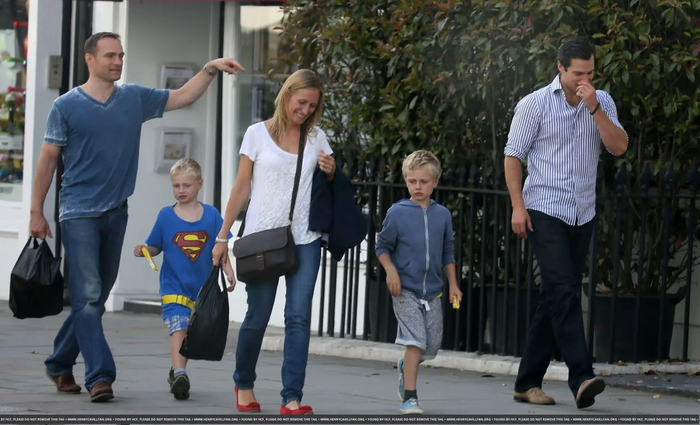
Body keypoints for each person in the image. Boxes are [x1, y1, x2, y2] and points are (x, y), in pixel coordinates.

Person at [29, 31, 243, 402]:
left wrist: (210, 68)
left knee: (95, 299)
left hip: (116, 213)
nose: (117, 61)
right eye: (110, 55)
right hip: (77, 212)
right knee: (88, 296)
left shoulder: (133, 98)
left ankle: (59, 362)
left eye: (121, 55)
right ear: (90, 59)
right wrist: (36, 210)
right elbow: (48, 160)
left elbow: (183, 96)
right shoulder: (65, 106)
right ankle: (100, 376)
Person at [504, 36, 628, 409]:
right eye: (578, 73)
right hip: (544, 208)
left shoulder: (602, 101)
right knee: (563, 289)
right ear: (560, 68)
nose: (584, 80)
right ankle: (581, 376)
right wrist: (518, 206)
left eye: (590, 73)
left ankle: (526, 382)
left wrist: (596, 109)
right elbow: (513, 156)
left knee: (556, 297)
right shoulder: (535, 104)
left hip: (582, 211)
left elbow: (619, 146)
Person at [212, 69, 335, 415]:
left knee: (298, 317)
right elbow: (241, 187)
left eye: (312, 106)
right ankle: (244, 382)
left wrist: (331, 171)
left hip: (305, 239)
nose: (306, 110)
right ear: (287, 95)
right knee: (258, 316)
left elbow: (329, 182)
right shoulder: (256, 134)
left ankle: (291, 397)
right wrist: (223, 237)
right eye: (301, 102)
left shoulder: (317, 138)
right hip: (262, 239)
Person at [133, 158, 235, 400]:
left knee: (191, 332)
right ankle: (180, 373)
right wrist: (146, 249)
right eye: (176, 186)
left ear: (199, 184)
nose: (181, 190)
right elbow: (156, 246)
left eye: (186, 185)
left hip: (201, 290)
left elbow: (221, 247)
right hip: (174, 286)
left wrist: (229, 269)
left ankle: (176, 370)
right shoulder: (165, 216)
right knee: (178, 326)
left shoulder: (212, 216)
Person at [375, 150, 463, 415]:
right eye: (412, 181)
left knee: (430, 346)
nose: (417, 187)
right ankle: (410, 397)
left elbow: (447, 252)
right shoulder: (397, 213)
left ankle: (407, 365)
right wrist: (390, 271)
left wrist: (453, 285)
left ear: (434, 182)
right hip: (404, 290)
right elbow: (382, 246)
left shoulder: (443, 215)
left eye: (423, 181)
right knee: (415, 341)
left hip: (434, 292)